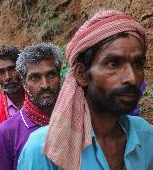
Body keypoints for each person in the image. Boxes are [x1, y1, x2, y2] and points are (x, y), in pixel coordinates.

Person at [17, 10, 153, 170]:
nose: (131, 77)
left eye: (137, 64)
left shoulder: (146, 136)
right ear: (82, 74)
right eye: (114, 64)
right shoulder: (44, 149)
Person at [0, 43, 62, 170]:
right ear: (24, 82)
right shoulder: (7, 132)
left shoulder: (78, 118)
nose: (45, 85)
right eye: (35, 78)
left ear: (60, 77)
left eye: (51, 75)